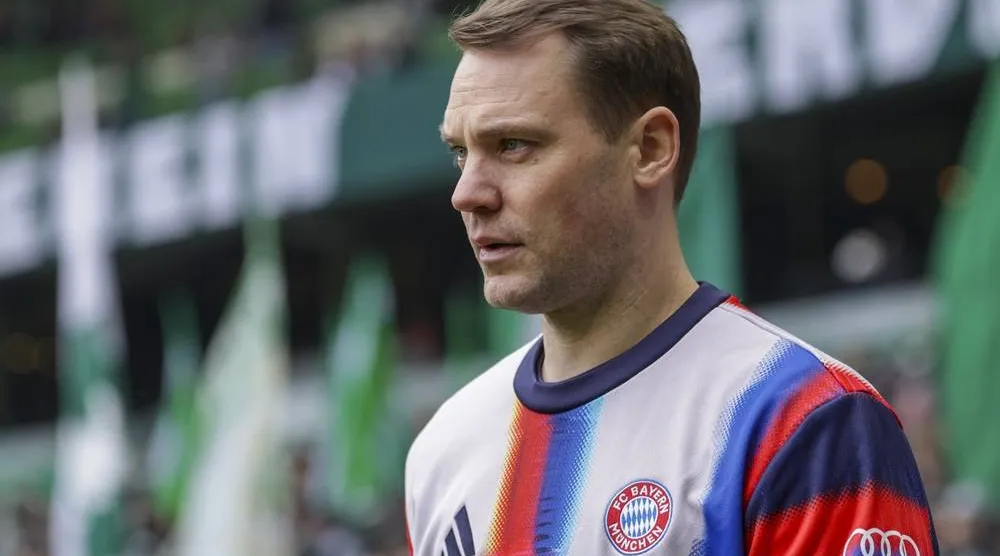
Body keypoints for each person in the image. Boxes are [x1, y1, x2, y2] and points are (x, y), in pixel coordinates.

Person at [404, 0, 939, 554]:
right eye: (459, 153)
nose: (466, 193)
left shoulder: (803, 421)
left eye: (513, 145)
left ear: (651, 148)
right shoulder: (444, 447)